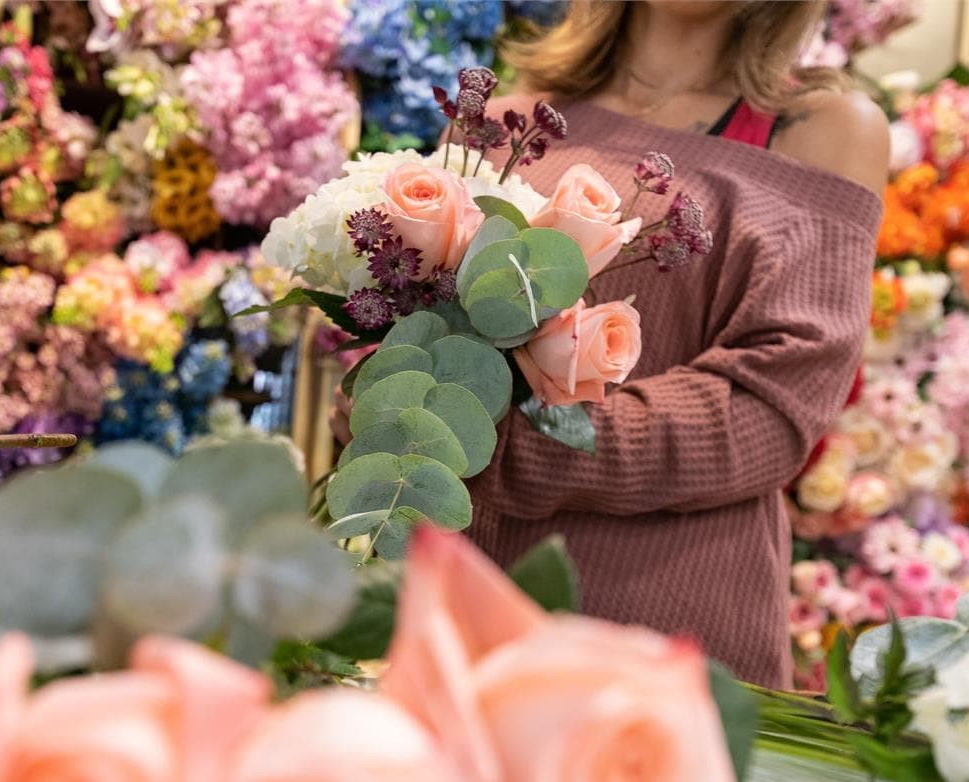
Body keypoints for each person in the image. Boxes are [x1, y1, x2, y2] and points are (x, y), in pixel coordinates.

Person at [331, 0, 887, 687]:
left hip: (658, 632)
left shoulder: (818, 130)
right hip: (459, 602)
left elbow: (771, 410)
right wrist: (386, 394)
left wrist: (503, 445)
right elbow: (426, 318)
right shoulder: (515, 117)